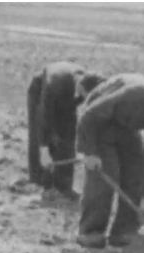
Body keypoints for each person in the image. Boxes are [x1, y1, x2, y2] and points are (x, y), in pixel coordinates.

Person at [73, 73, 144, 249]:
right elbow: (89, 117)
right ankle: (90, 231)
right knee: (105, 175)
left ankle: (124, 231)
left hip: (125, 125)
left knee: (134, 173)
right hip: (99, 121)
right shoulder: (132, 96)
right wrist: (89, 153)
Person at [26, 61, 105, 196]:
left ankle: (64, 186)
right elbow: (45, 114)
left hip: (66, 99)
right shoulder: (54, 83)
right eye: (85, 97)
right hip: (40, 91)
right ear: (79, 87)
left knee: (68, 138)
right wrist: (46, 141)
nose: (85, 101)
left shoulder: (91, 81)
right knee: (38, 134)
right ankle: (38, 179)